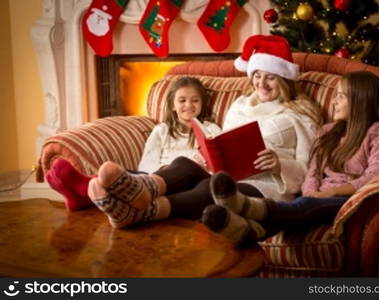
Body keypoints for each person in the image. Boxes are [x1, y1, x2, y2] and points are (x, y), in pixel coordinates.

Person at [50, 34, 322, 229]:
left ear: (284, 78)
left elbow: (310, 170)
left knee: (210, 187)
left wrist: (279, 164)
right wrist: (210, 154)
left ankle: (129, 205)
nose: (262, 83)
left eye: (270, 77)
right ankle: (139, 189)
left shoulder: (301, 114)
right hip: (227, 173)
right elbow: (227, 145)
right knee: (185, 163)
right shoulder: (241, 105)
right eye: (257, 75)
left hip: (267, 186)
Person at [202, 70, 379, 246]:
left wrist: (330, 193)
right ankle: (247, 232)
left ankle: (247, 206)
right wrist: (311, 191)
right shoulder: (328, 131)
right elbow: (313, 172)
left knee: (304, 205)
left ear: (360, 100)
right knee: (302, 205)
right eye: (335, 95)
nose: (334, 101)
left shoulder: (377, 132)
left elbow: (375, 176)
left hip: (348, 200)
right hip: (317, 197)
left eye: (341, 96)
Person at [46, 76, 220, 211]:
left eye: (195, 100)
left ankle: (85, 191)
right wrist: (160, 172)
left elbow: (221, 164)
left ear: (202, 104)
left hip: (193, 184)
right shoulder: (162, 130)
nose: (188, 105)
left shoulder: (211, 130)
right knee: (125, 175)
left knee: (183, 163)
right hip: (158, 180)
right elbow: (147, 162)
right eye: (182, 100)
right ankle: (87, 190)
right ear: (173, 105)